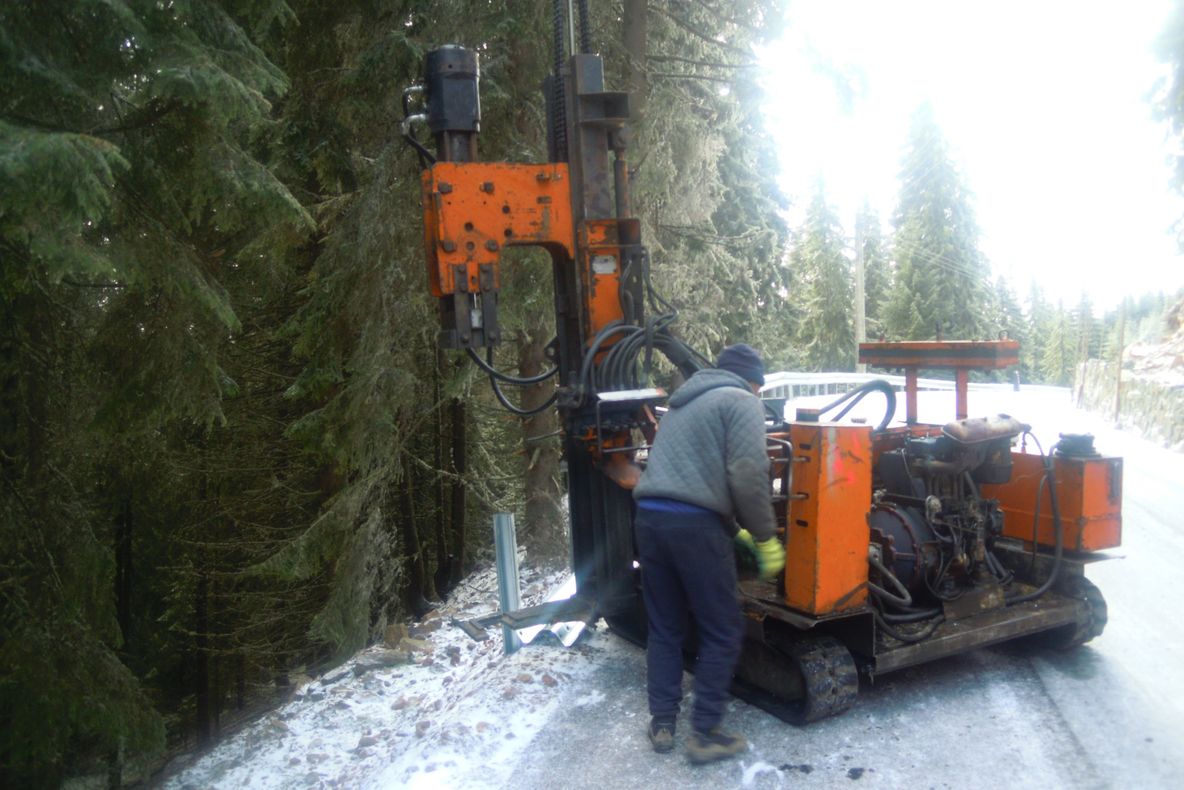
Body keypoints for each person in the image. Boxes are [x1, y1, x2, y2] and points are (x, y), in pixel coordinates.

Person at [632, 343, 786, 764]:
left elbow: (690, 472)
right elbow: (747, 474)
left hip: (649, 519)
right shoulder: (743, 402)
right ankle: (705, 733)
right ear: (754, 382)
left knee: (665, 626)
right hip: (693, 528)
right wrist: (765, 536)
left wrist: (734, 532)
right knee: (722, 628)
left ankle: (662, 721)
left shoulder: (684, 404)